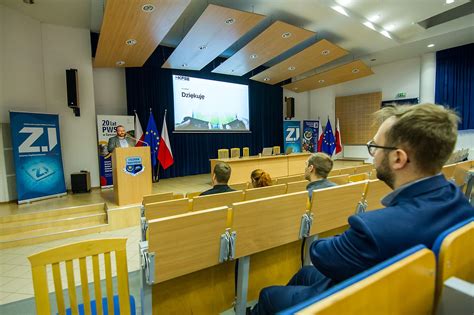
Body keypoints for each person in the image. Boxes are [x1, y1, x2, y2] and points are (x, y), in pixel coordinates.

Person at [250, 103, 474, 314]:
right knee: (303, 274)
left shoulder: (375, 229)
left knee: (268, 295)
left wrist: (345, 237)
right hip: (400, 290)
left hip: (356, 302)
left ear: (398, 158)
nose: (373, 153)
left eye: (375, 146)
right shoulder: (459, 200)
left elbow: (319, 253)